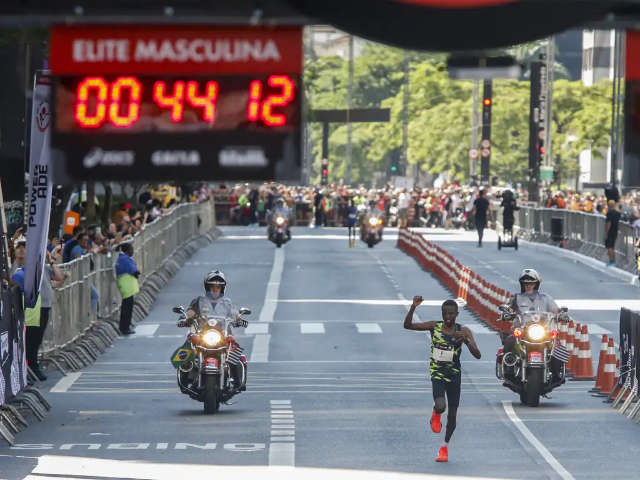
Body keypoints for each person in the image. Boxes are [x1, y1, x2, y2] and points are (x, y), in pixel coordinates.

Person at [403, 297, 481, 463]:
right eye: (445, 314)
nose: (448, 317)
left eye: (451, 314)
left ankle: (444, 447)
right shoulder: (434, 326)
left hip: (454, 376)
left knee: (452, 416)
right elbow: (408, 326)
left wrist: (466, 341)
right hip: (437, 374)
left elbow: (478, 355)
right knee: (441, 406)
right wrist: (413, 307)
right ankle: (436, 412)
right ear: (442, 314)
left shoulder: (464, 331)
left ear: (457, 314)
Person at [177, 271, 249, 392]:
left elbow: (237, 315)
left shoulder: (228, 303)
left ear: (222, 287)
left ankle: (238, 382)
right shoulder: (198, 301)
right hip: (202, 336)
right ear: (207, 287)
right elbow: (189, 314)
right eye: (212, 286)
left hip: (223, 336)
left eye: (218, 286)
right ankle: (183, 380)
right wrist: (184, 319)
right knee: (183, 352)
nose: (215, 289)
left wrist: (240, 319)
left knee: (236, 355)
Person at [500, 269, 564, 382]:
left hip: (542, 330)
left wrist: (562, 315)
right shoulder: (517, 298)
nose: (528, 285)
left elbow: (556, 310)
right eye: (525, 283)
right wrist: (506, 313)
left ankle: (555, 372)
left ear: (537, 284)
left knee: (556, 344)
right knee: (510, 340)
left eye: (531, 283)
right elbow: (509, 307)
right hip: (523, 330)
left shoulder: (546, 298)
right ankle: (509, 368)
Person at [11, 246, 63, 381]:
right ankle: (30, 367)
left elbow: (58, 277)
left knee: (37, 339)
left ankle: (33, 366)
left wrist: (51, 261)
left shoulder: (44, 268)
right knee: (31, 340)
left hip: (45, 305)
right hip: (34, 308)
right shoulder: (22, 271)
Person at [115, 243, 141, 335]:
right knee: (127, 307)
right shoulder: (126, 259)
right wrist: (138, 269)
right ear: (127, 250)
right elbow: (134, 271)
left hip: (124, 284)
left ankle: (124, 327)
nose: (132, 251)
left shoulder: (121, 258)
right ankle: (125, 327)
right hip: (127, 285)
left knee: (126, 306)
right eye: (131, 249)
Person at [605, 200, 620, 267]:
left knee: (609, 247)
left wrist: (606, 233)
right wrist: (618, 230)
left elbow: (609, 223)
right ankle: (614, 260)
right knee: (613, 246)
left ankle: (611, 260)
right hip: (615, 230)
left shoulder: (609, 214)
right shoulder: (617, 213)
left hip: (610, 231)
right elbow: (618, 223)